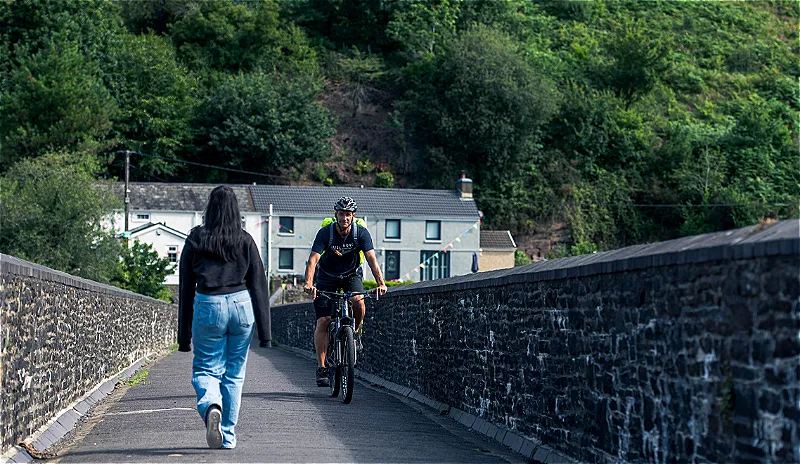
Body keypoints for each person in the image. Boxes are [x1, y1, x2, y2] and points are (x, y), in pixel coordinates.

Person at [178, 186, 270, 449]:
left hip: (209, 304)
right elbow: (258, 285)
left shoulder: (196, 238)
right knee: (234, 374)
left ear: (210, 209)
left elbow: (185, 288)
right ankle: (227, 436)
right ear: (235, 211)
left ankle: (211, 406)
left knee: (206, 368)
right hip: (241, 305)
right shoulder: (245, 240)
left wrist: (184, 337)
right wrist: (266, 335)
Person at [304, 196, 388, 387]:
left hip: (351, 274)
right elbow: (313, 259)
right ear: (336, 214)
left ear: (353, 216)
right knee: (324, 320)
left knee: (358, 302)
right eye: (341, 214)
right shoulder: (325, 233)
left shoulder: (361, 233)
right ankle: (322, 367)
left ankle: (354, 334)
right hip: (326, 276)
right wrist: (309, 283)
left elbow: (371, 259)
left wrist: (381, 283)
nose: (344, 218)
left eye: (348, 214)